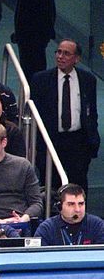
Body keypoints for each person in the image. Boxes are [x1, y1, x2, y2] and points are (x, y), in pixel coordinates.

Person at [31, 39, 100, 194]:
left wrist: (93, 141)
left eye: (66, 53)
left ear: (77, 59)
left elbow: (92, 112)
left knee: (79, 186)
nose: (60, 56)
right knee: (51, 187)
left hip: (79, 142)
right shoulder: (41, 80)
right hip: (52, 141)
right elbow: (35, 114)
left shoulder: (88, 80)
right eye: (59, 52)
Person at [34, 183, 104, 246]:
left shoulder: (97, 225)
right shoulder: (47, 228)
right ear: (59, 206)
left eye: (81, 204)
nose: (77, 209)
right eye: (71, 204)